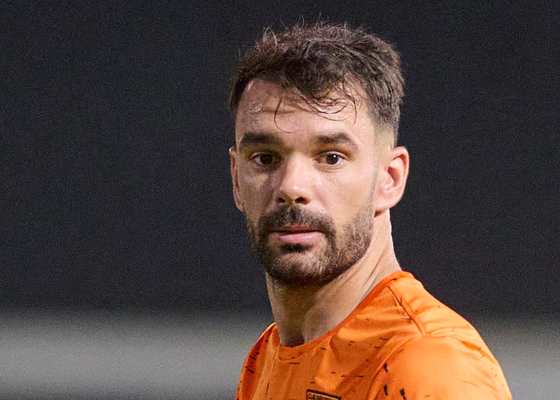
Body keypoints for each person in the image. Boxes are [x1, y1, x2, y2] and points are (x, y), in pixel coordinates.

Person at [228, 23, 512, 400]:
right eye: (265, 158)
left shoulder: (429, 366)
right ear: (236, 179)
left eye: (331, 157)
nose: (292, 188)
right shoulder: (266, 357)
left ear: (389, 178)